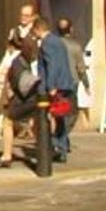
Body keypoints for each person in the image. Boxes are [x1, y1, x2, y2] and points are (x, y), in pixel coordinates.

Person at [0, 24, 45, 167]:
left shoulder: (18, 61)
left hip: (25, 99)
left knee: (8, 121)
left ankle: (6, 156)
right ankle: (44, 151)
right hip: (38, 97)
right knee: (38, 123)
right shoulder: (37, 60)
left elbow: (22, 85)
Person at [38, 16, 77, 164]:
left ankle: (57, 147)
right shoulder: (58, 41)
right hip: (65, 83)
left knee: (54, 117)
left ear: (38, 29)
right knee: (60, 117)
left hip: (56, 86)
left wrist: (51, 86)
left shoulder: (47, 43)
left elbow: (52, 65)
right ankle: (62, 148)